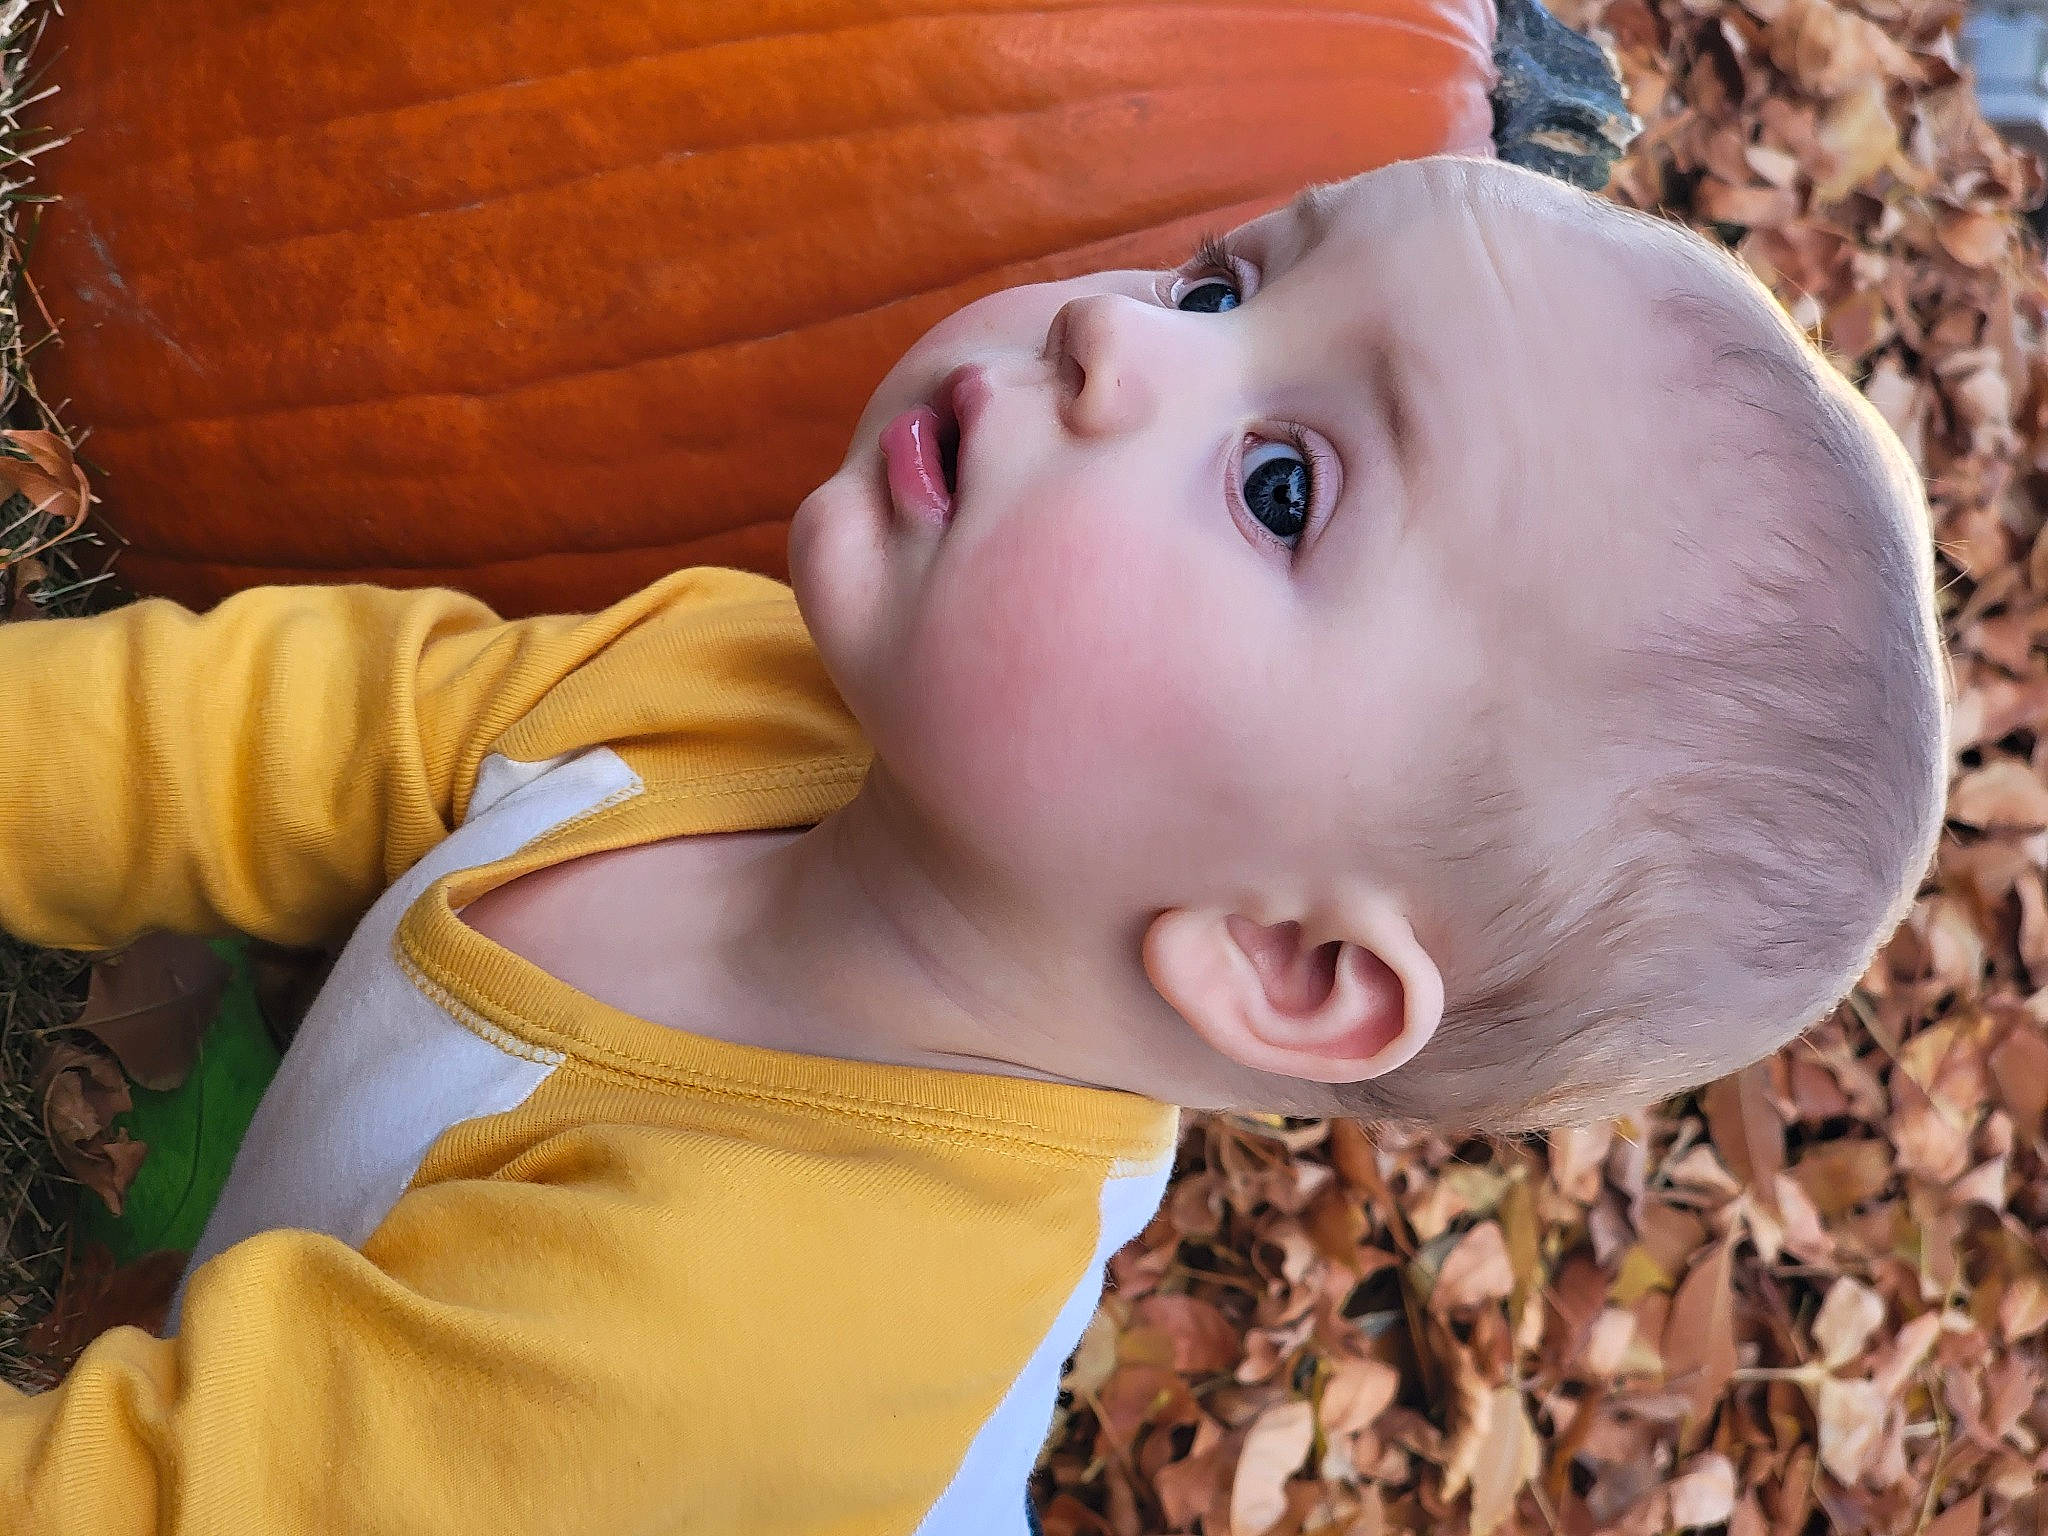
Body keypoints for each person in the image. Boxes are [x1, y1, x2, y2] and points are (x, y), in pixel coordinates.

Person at [0, 154, 1948, 1533]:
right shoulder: (778, 697)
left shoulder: (743, 1344)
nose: (1118, 337)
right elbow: (311, 730)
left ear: (1284, 961)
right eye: (1226, 284)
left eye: (1281, 485)